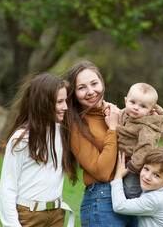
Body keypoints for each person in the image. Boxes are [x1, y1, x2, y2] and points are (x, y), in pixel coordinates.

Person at [61, 61, 138, 226]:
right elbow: (102, 172)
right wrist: (112, 128)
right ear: (73, 93)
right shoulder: (75, 125)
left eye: (94, 83)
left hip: (131, 197)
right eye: (81, 88)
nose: (90, 91)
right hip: (102, 199)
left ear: (102, 82)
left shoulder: (117, 113)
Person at [0, 73, 75, 227]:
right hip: (29, 217)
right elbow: (7, 187)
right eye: (59, 102)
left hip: (56, 215)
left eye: (65, 101)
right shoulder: (22, 139)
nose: (65, 107)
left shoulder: (63, 132)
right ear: (44, 103)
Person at [117, 82, 163, 199]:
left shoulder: (146, 127)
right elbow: (115, 113)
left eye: (143, 106)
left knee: (129, 190)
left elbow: (146, 147)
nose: (136, 108)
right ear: (126, 101)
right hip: (120, 157)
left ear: (151, 111)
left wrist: (132, 166)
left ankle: (131, 209)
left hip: (133, 163)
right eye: (133, 102)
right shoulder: (123, 114)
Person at [111, 145, 163, 227]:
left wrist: (118, 176)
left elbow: (119, 206)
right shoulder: (157, 191)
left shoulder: (155, 199)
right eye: (146, 169)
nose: (147, 177)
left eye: (156, 175)